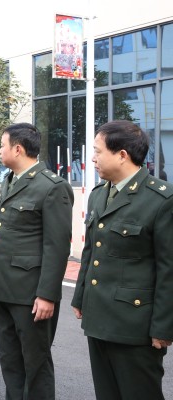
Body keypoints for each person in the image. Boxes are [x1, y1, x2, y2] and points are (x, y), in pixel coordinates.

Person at [72, 120, 173, 400]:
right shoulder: (98, 195)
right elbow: (90, 252)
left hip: (135, 325)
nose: (92, 158)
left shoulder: (161, 199)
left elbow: (169, 270)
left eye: (97, 151)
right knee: (107, 393)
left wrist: (164, 327)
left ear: (122, 155)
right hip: (99, 318)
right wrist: (80, 297)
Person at [0, 123, 74, 400]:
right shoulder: (9, 180)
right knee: (10, 359)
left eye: (2, 145)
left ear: (18, 148)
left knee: (35, 363)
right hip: (3, 287)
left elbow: (57, 246)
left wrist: (47, 295)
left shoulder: (52, 187)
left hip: (31, 293)